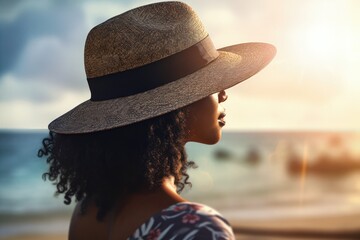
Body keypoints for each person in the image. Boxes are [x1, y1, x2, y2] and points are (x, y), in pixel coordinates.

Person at [38, 1, 276, 239]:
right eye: (210, 84)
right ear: (177, 106)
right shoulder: (195, 229)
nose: (223, 93)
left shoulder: (89, 211)